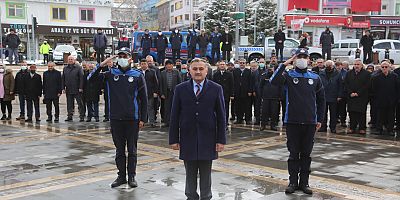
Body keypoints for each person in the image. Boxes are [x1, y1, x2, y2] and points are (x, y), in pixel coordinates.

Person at [87, 47, 147, 188]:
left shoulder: (137, 75)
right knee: (119, 149)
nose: (122, 58)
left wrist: (143, 118)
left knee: (132, 149)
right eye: (119, 56)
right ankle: (121, 176)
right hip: (115, 118)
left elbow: (144, 99)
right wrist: (101, 65)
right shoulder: (110, 74)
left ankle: (132, 176)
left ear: (130, 58)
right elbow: (90, 79)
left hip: (132, 118)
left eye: (124, 56)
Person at [169, 58, 226, 200]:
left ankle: (206, 197)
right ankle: (191, 196)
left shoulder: (216, 88)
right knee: (190, 172)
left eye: (201, 68)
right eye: (195, 69)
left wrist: (221, 140)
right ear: (189, 71)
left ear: (207, 70)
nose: (198, 71)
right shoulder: (180, 89)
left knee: (206, 172)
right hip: (188, 137)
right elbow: (174, 115)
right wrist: (174, 139)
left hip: (209, 138)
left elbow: (221, 116)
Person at [270, 48, 325, 195]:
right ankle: (293, 182)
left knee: (306, 154)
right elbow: (273, 81)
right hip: (292, 121)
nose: (301, 59)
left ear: (308, 59)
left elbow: (321, 100)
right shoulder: (288, 75)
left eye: (304, 57)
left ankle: (304, 183)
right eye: (298, 56)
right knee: (294, 154)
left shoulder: (315, 77)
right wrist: (285, 64)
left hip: (309, 122)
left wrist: (319, 119)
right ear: (294, 59)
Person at [371, 61, 398, 136]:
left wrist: (395, 99)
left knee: (391, 116)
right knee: (380, 116)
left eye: (386, 67)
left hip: (391, 101)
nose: (384, 68)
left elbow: (397, 88)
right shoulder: (376, 78)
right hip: (380, 100)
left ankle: (390, 130)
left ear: (389, 68)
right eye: (383, 67)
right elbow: (373, 89)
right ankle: (379, 129)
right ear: (380, 68)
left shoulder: (394, 76)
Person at [344, 59, 371, 135]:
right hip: (351, 96)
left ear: (361, 65)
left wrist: (358, 93)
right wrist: (351, 92)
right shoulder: (349, 73)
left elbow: (366, 85)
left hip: (361, 97)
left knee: (361, 113)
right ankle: (352, 127)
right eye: (355, 64)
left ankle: (362, 128)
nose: (356, 66)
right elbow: (346, 84)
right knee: (352, 113)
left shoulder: (366, 74)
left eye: (358, 64)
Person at [318, 60, 343, 133]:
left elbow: (340, 85)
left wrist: (339, 95)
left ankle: (333, 127)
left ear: (333, 66)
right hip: (323, 96)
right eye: (327, 66)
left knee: (333, 113)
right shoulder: (321, 73)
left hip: (334, 96)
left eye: (330, 65)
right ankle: (323, 126)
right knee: (323, 112)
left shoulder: (337, 73)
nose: (329, 67)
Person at [259, 62, 281, 131]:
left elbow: (280, 86)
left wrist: (279, 96)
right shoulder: (264, 75)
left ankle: (273, 125)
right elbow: (260, 86)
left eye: (271, 68)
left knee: (274, 112)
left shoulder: (277, 76)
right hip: (266, 97)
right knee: (264, 112)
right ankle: (263, 125)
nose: (270, 70)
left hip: (274, 97)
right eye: (269, 68)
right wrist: (261, 95)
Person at [62, 56, 85, 122]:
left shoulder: (78, 67)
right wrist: (63, 88)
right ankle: (70, 116)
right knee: (69, 104)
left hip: (77, 89)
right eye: (69, 59)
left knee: (80, 103)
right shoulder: (65, 68)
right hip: (68, 89)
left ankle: (81, 116)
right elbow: (63, 78)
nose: (70, 60)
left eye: (71, 59)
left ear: (74, 60)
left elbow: (81, 78)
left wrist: (81, 87)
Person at [160, 59, 181, 127]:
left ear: (173, 65)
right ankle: (167, 122)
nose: (169, 66)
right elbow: (160, 84)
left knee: (175, 107)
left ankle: (175, 121)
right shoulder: (162, 73)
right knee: (167, 107)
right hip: (166, 92)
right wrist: (161, 93)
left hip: (174, 92)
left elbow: (180, 82)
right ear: (165, 65)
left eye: (170, 64)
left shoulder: (176, 72)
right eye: (167, 64)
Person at [233, 59, 253, 125]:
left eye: (243, 63)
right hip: (238, 92)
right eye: (240, 63)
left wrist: (250, 91)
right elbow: (233, 81)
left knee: (247, 106)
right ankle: (239, 118)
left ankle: (248, 119)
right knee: (238, 106)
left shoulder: (248, 71)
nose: (242, 64)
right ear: (238, 63)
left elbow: (250, 82)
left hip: (246, 92)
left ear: (246, 64)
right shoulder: (235, 71)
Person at [140, 59, 159, 127]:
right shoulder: (138, 72)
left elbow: (156, 83)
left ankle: (152, 122)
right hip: (140, 94)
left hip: (150, 93)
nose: (143, 65)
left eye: (145, 64)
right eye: (142, 64)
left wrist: (155, 92)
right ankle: (142, 121)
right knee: (141, 107)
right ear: (140, 65)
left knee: (150, 107)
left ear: (147, 64)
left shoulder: (152, 72)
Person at [336, 61, 348, 127]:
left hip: (343, 93)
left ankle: (343, 121)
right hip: (335, 93)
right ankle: (336, 119)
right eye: (337, 65)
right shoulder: (334, 72)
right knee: (335, 108)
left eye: (339, 65)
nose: (338, 67)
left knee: (343, 108)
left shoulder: (346, 72)